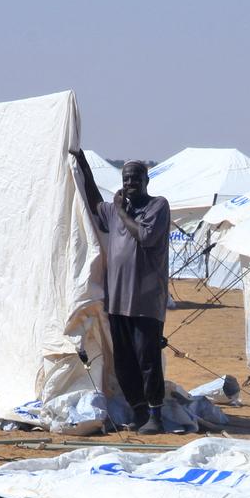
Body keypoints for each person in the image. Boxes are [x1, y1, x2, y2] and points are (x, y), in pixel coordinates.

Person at [70, 150, 171, 434]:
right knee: (124, 361)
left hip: (146, 301)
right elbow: (93, 202)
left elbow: (146, 237)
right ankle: (139, 410)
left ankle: (156, 415)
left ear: (146, 180)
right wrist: (83, 164)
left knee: (147, 360)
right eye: (126, 179)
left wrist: (123, 210)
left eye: (136, 178)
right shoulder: (112, 211)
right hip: (117, 301)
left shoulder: (157, 207)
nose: (130, 183)